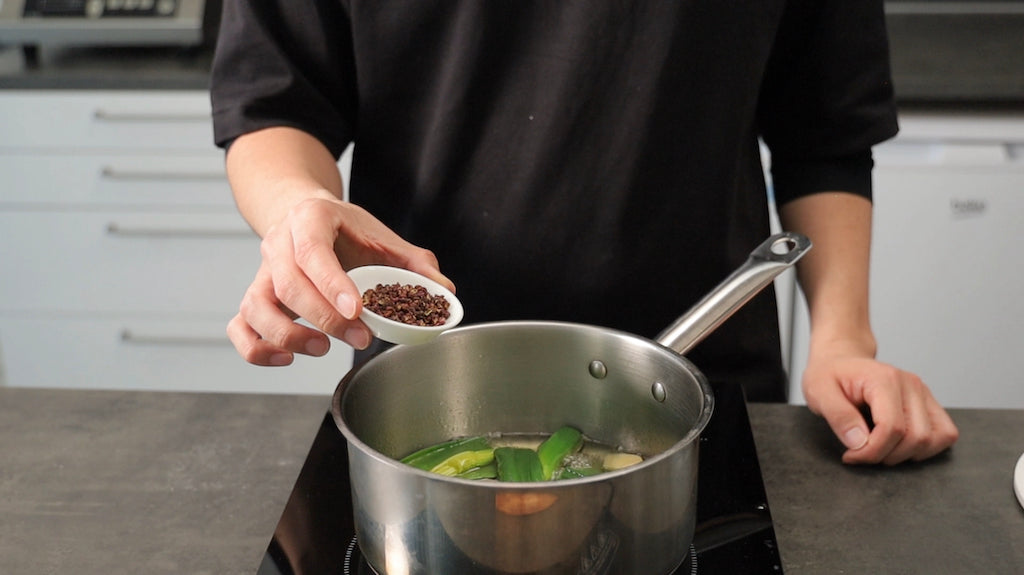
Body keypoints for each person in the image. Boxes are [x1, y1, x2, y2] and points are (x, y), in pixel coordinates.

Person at [209, 0, 958, 465]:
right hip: (425, 396)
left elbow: (824, 132)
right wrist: (297, 209)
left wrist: (842, 341)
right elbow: (277, 101)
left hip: (696, 394)